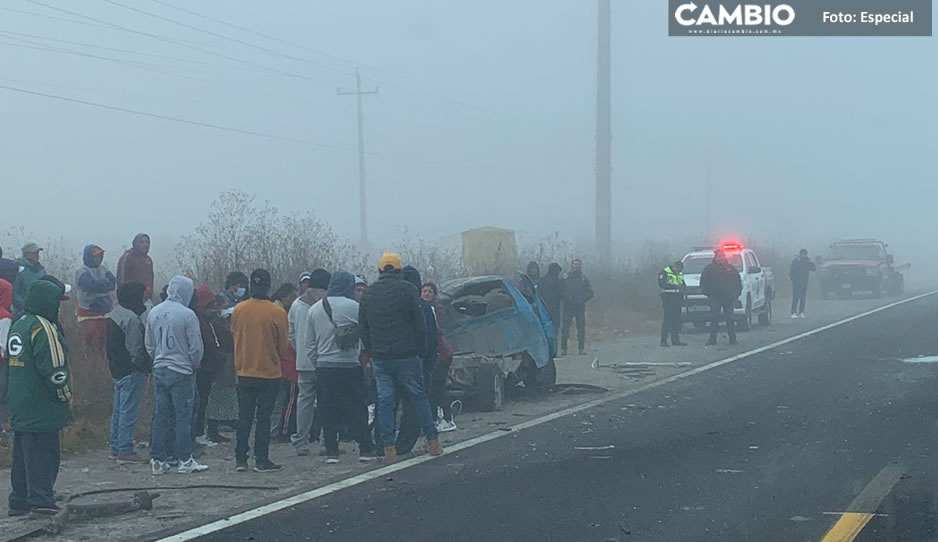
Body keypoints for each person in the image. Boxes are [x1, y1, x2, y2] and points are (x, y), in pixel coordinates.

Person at [359, 253, 442, 463]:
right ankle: (433, 441)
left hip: (381, 357)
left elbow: (363, 327)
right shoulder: (408, 290)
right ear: (399, 272)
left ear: (379, 271)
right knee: (418, 396)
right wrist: (420, 351)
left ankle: (388, 447)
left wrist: (372, 351)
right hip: (407, 355)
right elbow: (419, 324)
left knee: (385, 402)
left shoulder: (369, 294)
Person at [6, 278, 72, 516]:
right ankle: (42, 499)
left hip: (20, 402)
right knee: (44, 453)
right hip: (41, 405)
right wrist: (65, 395)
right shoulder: (44, 327)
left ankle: (20, 499)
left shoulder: (20, 323)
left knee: (23, 454)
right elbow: (54, 368)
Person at [306, 271, 377, 463]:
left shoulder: (315, 309)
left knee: (327, 409)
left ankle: (331, 451)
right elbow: (365, 335)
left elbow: (309, 344)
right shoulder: (355, 307)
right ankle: (365, 448)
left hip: (324, 368)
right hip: (350, 366)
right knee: (356, 407)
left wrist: (317, 363)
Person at [145, 275, 208, 475]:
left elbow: (149, 344)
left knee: (161, 416)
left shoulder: (154, 312)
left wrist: (158, 358)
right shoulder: (187, 315)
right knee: (183, 417)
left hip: (160, 367)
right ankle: (184, 459)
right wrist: (193, 365)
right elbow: (196, 347)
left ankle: (157, 459)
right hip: (181, 370)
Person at [231, 269, 289, 473]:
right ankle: (261, 459)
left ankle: (240, 458)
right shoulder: (277, 312)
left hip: (245, 370)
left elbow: (234, 335)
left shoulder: (239, 309)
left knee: (244, 416)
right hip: (268, 371)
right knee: (263, 417)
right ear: (269, 286)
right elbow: (283, 347)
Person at [394, 266, 439, 456]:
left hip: (389, 360)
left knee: (388, 402)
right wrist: (428, 364)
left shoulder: (390, 304)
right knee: (415, 404)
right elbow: (431, 338)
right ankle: (405, 444)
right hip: (417, 361)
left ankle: (383, 443)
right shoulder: (426, 307)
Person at [106, 282, 151, 463]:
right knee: (128, 410)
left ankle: (115, 446)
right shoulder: (132, 319)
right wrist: (143, 365)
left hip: (116, 369)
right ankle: (125, 449)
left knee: (118, 409)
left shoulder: (115, 313)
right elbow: (135, 349)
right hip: (131, 370)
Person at [290, 269, 330, 456]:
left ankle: (301, 441)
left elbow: (290, 334)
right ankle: (325, 441)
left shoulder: (295, 306)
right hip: (321, 361)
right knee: (324, 401)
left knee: (304, 402)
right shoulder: (323, 307)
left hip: (303, 361)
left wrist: (300, 349)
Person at [421, 283, 456, 432]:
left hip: (441, 355)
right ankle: (435, 418)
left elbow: (437, 331)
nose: (427, 294)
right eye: (424, 291)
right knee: (433, 388)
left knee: (438, 388)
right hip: (433, 355)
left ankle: (446, 419)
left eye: (430, 291)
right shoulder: (421, 308)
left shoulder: (436, 310)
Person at [191, 285, 224, 447]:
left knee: (202, 400)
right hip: (204, 366)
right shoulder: (199, 320)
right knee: (200, 400)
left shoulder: (205, 319)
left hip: (207, 365)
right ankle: (197, 433)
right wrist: (220, 356)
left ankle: (198, 432)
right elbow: (207, 343)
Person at [203, 294, 237, 444]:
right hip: (221, 361)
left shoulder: (217, 322)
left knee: (224, 394)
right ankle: (213, 428)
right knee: (217, 396)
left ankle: (219, 424)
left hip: (225, 360)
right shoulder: (215, 324)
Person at [270, 283, 299, 443]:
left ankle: (274, 430)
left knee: (277, 400)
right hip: (285, 363)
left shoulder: (275, 309)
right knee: (286, 400)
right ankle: (283, 429)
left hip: (276, 362)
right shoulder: (280, 313)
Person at [75, 244, 117, 348]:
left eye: (99, 256)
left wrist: (100, 284)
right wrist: (104, 284)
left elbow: (113, 283)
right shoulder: (82, 271)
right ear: (88, 257)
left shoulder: (103, 269)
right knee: (91, 341)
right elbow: (91, 285)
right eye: (95, 256)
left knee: (105, 339)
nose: (98, 259)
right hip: (88, 311)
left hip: (104, 310)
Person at [700, 251, 743, 346]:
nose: (720, 258)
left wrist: (736, 294)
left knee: (730, 319)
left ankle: (732, 339)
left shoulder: (731, 269)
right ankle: (712, 340)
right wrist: (708, 293)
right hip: (715, 298)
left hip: (728, 298)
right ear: (715, 258)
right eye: (719, 256)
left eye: (722, 256)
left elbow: (738, 282)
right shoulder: (709, 269)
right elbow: (703, 282)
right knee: (714, 318)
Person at [561, 258, 594, 356]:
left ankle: (581, 349)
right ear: (572, 265)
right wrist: (565, 298)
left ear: (580, 266)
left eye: (578, 264)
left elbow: (591, 293)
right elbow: (560, 290)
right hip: (568, 306)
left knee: (581, 328)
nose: (576, 266)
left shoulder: (584, 278)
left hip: (580, 307)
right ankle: (563, 349)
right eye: (575, 264)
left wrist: (582, 299)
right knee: (565, 328)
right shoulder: (565, 277)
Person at [116, 234, 155, 303]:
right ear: (136, 243)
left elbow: (151, 280)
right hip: (130, 300)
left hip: (146, 300)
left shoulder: (148, 260)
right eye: (142, 242)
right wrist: (123, 298)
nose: (145, 245)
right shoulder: (128, 257)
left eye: (147, 242)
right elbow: (121, 278)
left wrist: (149, 295)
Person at [12, 243, 46, 317]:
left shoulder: (41, 270)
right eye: (35, 253)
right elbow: (15, 293)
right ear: (27, 254)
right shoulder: (17, 269)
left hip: (40, 312)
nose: (37, 255)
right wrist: (26, 307)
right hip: (21, 313)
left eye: (38, 253)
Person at [658, 261, 687, 347]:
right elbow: (662, 284)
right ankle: (663, 340)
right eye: (678, 268)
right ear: (674, 266)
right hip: (668, 298)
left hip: (677, 298)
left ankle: (675, 339)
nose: (679, 271)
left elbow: (683, 284)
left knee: (677, 319)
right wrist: (674, 286)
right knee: (667, 319)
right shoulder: (665, 272)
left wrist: (683, 289)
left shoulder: (680, 274)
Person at [0, 279, 13, 428]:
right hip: (2, 364)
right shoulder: (4, 317)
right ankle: (2, 426)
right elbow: (3, 346)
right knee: (3, 395)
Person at [789, 249, 816, 319]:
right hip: (796, 282)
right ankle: (793, 312)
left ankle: (801, 312)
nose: (804, 255)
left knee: (803, 298)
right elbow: (791, 272)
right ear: (800, 254)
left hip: (804, 282)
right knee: (795, 297)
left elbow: (813, 268)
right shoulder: (796, 261)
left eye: (805, 254)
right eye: (803, 254)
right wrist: (793, 280)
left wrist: (810, 262)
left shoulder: (807, 261)